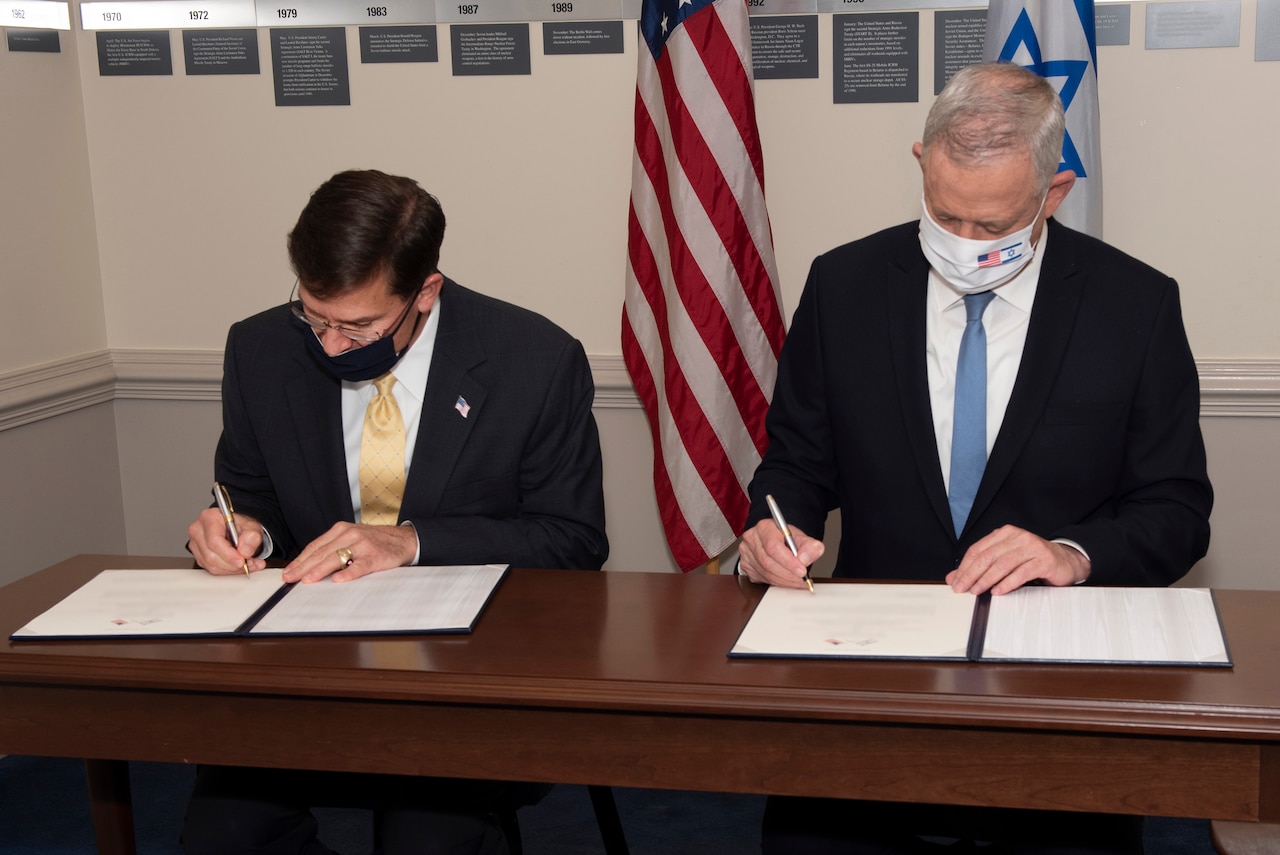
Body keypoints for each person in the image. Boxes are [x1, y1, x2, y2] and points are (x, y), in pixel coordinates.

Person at [737, 62, 1212, 855]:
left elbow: (1176, 511)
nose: (963, 244)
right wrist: (771, 528)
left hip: (1052, 696)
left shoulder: (1135, 305)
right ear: (922, 164)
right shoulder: (844, 284)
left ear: (1053, 193)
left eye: (993, 226)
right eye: (945, 214)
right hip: (871, 679)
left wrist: (1071, 553)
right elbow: (798, 460)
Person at [183, 169, 609, 855]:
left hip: (464, 673)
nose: (328, 344)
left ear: (425, 292)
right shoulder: (261, 349)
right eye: (314, 314)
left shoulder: (534, 360)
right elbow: (247, 491)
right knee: (226, 832)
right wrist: (241, 529)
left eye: (358, 326)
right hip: (304, 666)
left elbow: (573, 540)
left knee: (426, 839)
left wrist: (410, 541)